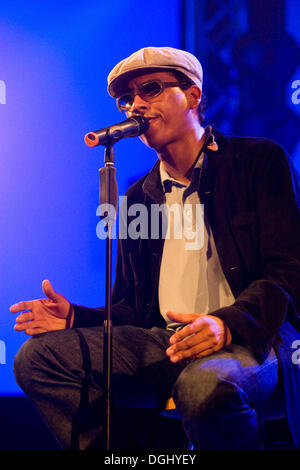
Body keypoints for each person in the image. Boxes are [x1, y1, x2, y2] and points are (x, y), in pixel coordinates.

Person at [11, 46, 300, 450]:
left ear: (194, 96)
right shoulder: (137, 199)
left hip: (251, 338)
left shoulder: (258, 162)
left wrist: (226, 323)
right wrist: (75, 317)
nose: (135, 106)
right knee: (36, 359)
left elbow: (287, 270)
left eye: (151, 90)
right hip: (167, 343)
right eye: (126, 99)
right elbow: (132, 308)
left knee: (203, 387)